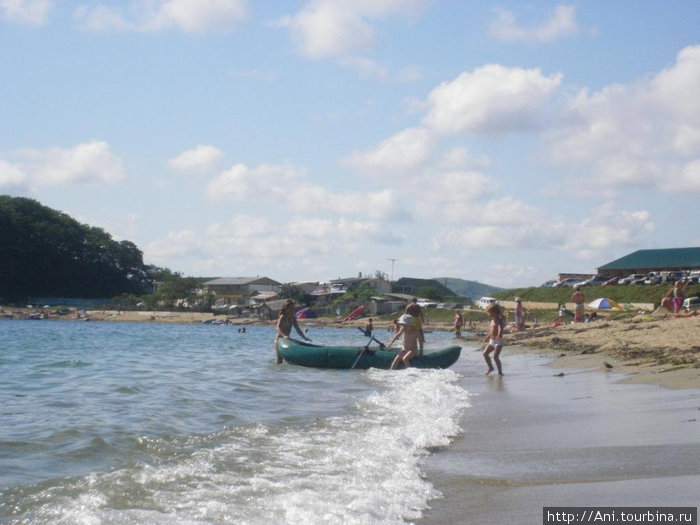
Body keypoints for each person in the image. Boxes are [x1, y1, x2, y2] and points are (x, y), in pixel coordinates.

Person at [274, 299, 311, 364]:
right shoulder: (283, 316)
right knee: (279, 361)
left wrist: (304, 338)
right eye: (291, 308)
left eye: (293, 308)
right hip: (279, 340)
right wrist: (284, 335)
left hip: (287, 340)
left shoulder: (292, 318)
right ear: (286, 308)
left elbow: (298, 329)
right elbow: (277, 327)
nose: (293, 309)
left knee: (287, 361)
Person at [482, 303, 505, 375]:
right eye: (488, 312)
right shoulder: (492, 321)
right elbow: (490, 332)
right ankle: (491, 367)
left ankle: (500, 372)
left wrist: (499, 334)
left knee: (495, 357)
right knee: (485, 353)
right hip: (491, 341)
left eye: (490, 312)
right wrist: (486, 338)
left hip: (498, 341)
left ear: (495, 312)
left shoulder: (499, 320)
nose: (488, 314)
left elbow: (500, 327)